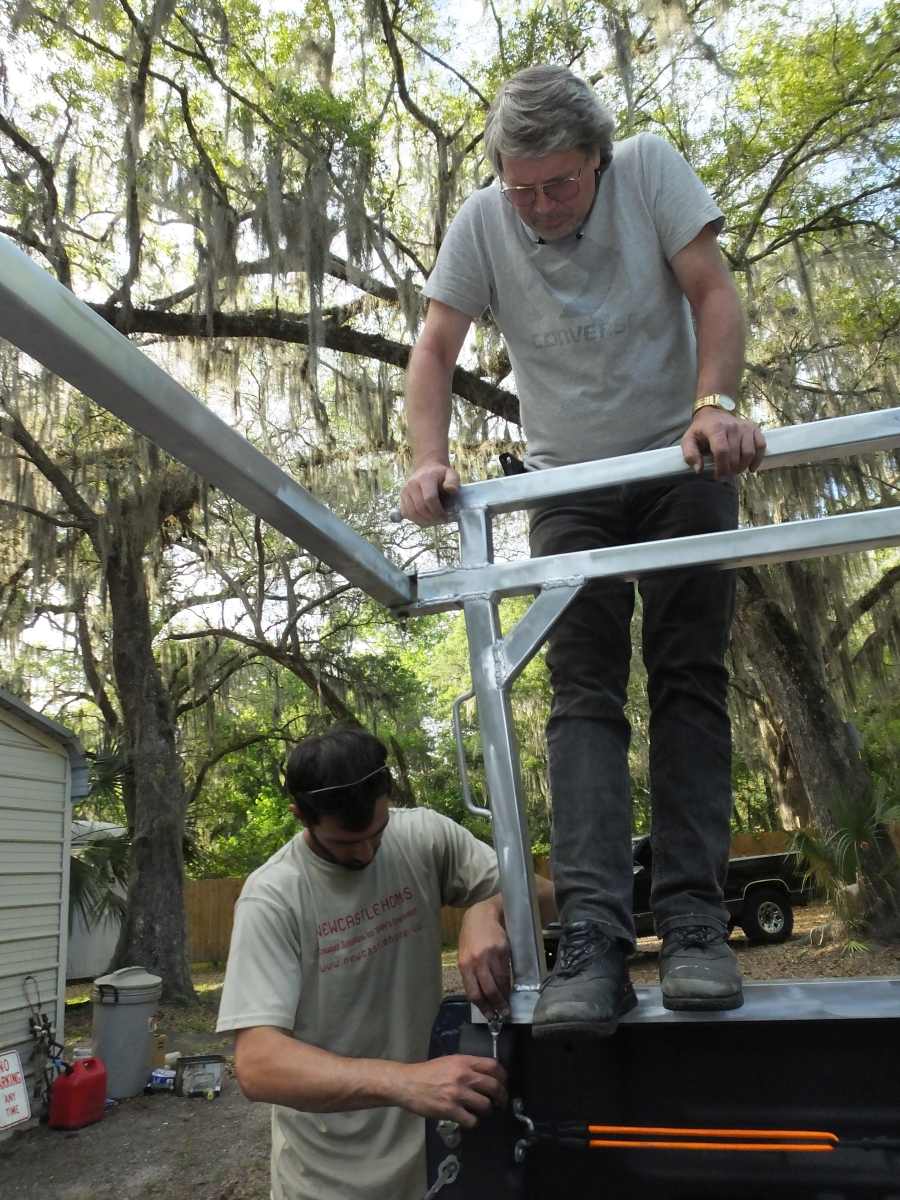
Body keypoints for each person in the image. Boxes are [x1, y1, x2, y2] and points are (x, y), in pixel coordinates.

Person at [400, 64, 766, 1039]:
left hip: (681, 459)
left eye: (559, 184)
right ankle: (594, 935)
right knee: (580, 694)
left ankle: (692, 920)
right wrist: (428, 461)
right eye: (522, 187)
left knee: (688, 674)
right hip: (568, 488)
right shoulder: (486, 220)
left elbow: (714, 293)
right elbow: (435, 346)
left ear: (598, 161)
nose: (540, 206)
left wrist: (716, 406)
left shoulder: (649, 170)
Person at [217, 724, 554, 1200]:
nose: (366, 852)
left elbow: (549, 899)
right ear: (300, 815)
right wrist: (404, 1082)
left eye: (376, 832)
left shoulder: (423, 836)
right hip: (329, 1178)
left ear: (387, 798)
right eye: (344, 843)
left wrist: (488, 908)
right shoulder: (273, 898)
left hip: (436, 1156)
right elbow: (258, 1064)